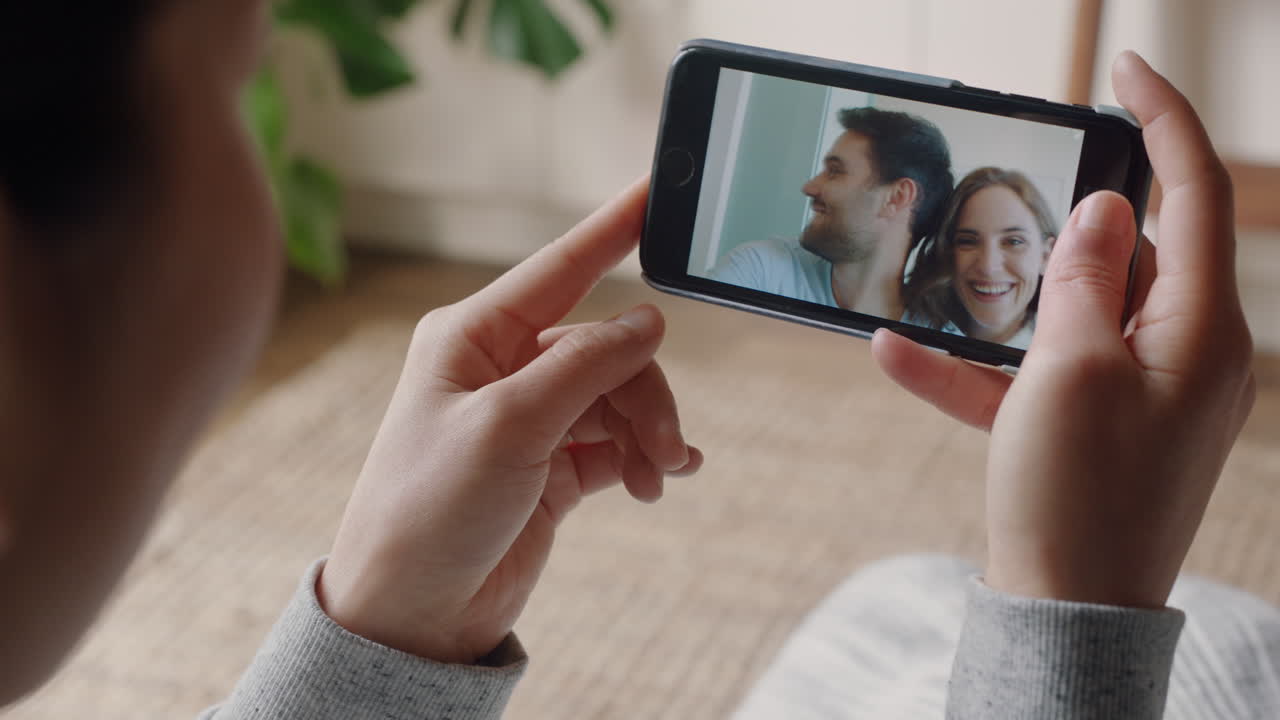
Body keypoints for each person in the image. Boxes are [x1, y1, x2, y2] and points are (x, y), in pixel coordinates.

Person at [0, 0, 1261, 716]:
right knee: (1222, 653)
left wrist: (380, 624)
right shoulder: (784, 256)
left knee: (897, 598)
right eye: (236, 80)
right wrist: (1073, 612)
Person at [707, 107, 954, 320]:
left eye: (835, 171)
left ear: (896, 197)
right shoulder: (760, 270)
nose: (809, 187)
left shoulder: (939, 347)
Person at [901, 167, 1058, 349]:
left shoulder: (1068, 358)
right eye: (968, 241)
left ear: (1046, 255)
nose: (988, 266)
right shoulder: (910, 330)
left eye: (1013, 241)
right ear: (948, 253)